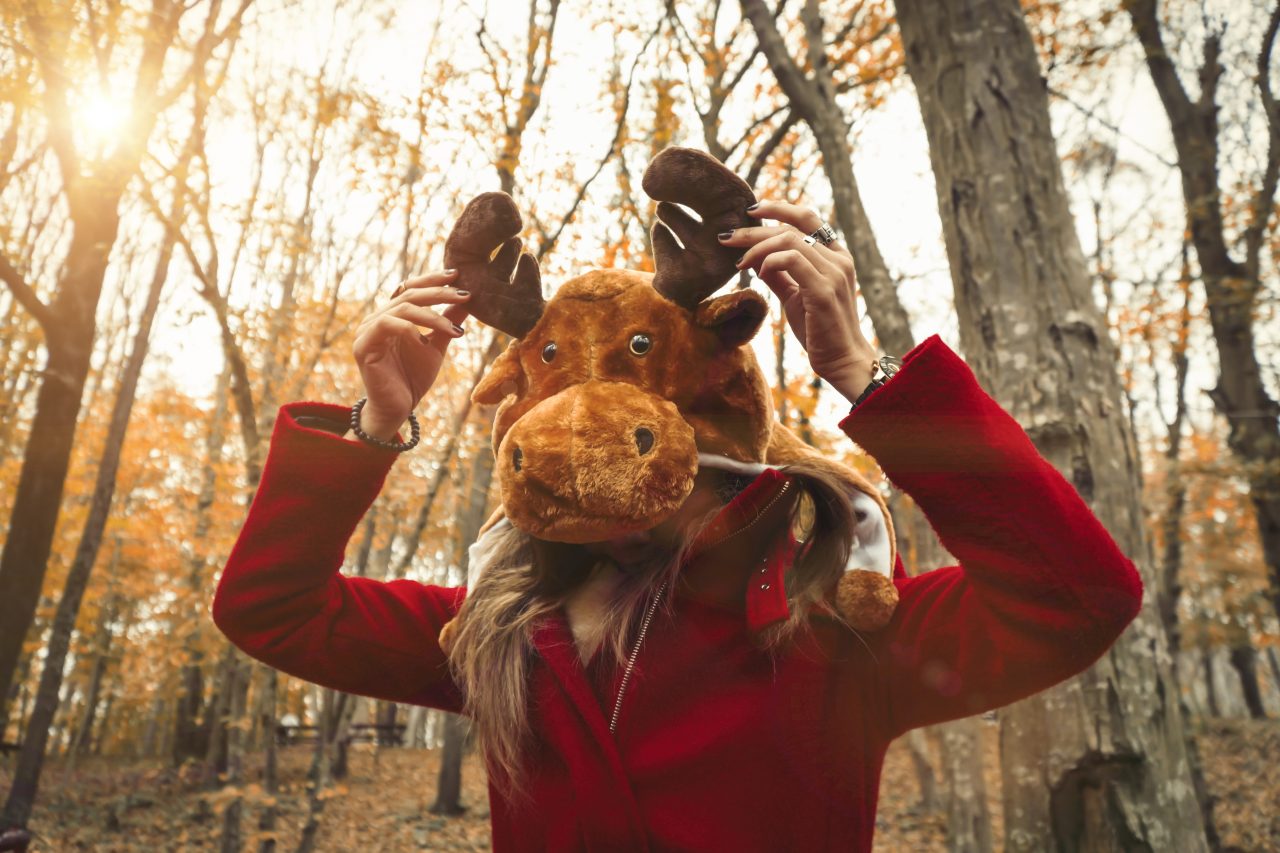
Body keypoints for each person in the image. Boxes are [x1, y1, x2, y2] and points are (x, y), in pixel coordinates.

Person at [212, 198, 1143, 852]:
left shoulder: (835, 626)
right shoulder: (495, 634)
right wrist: (375, 428)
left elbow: (1078, 597)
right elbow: (270, 608)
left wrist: (867, 373)